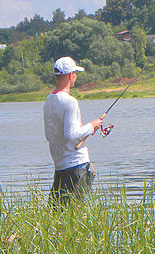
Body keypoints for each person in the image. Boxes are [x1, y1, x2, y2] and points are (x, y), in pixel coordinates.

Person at [43, 56, 103, 207]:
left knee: (56, 215)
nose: (76, 77)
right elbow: (70, 135)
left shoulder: (48, 101)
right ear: (70, 75)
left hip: (60, 166)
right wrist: (92, 126)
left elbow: (49, 136)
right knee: (72, 215)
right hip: (77, 166)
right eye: (75, 73)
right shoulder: (70, 102)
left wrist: (85, 130)